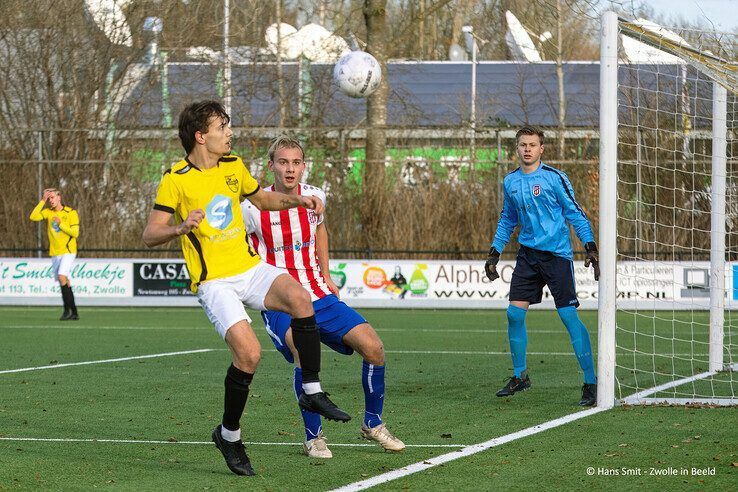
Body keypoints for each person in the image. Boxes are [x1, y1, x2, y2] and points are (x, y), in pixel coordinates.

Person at [142, 101, 350, 476]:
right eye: (222, 127)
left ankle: (312, 390)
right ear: (201, 135)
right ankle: (230, 435)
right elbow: (150, 233)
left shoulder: (233, 166)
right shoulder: (176, 178)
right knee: (249, 355)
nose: (230, 132)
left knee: (300, 298)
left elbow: (263, 199)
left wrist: (298, 200)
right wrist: (179, 227)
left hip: (249, 268)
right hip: (214, 282)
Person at [241, 136, 405, 458]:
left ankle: (373, 423)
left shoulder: (315, 195)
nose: (290, 169)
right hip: (279, 300)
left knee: (373, 347)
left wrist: (327, 274)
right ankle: (313, 437)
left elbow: (320, 230)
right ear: (270, 166)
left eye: (296, 162)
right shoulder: (251, 207)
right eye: (283, 162)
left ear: (303, 166)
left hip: (319, 293)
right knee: (305, 350)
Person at [484, 126, 600, 406]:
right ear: (517, 148)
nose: (527, 149)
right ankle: (519, 376)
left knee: (569, 317)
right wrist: (494, 252)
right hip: (527, 256)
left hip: (557, 256)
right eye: (523, 144)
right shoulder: (510, 181)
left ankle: (591, 382)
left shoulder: (554, 178)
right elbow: (508, 219)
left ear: (541, 149)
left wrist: (590, 246)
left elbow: (576, 214)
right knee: (513, 314)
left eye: (532, 145)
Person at [29, 188, 80, 320]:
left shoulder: (71, 212)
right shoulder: (48, 212)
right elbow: (33, 216)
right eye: (49, 198)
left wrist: (61, 224)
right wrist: (42, 200)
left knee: (62, 276)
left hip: (68, 251)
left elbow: (75, 233)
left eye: (52, 197)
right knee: (64, 281)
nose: (51, 200)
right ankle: (74, 312)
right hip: (55, 253)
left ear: (59, 198)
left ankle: (66, 311)